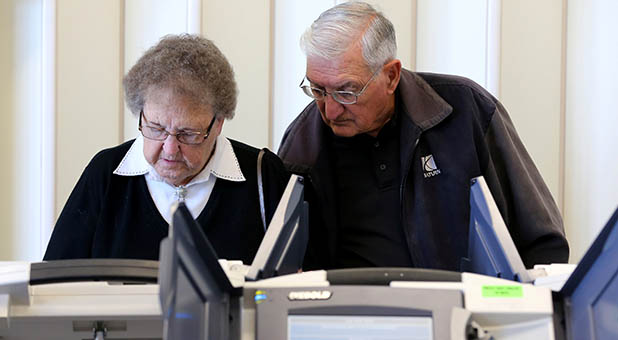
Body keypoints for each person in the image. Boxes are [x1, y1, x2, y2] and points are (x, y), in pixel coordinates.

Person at [278, 2, 569, 270]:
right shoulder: (303, 146)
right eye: (317, 90)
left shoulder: (467, 111)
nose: (330, 110)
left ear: (391, 76)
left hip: (464, 310)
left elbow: (541, 240)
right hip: (353, 315)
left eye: (347, 91)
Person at [45, 34, 290, 264]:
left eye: (187, 134)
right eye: (156, 128)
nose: (170, 149)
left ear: (218, 124)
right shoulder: (107, 174)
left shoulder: (262, 175)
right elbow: (54, 279)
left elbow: (299, 283)